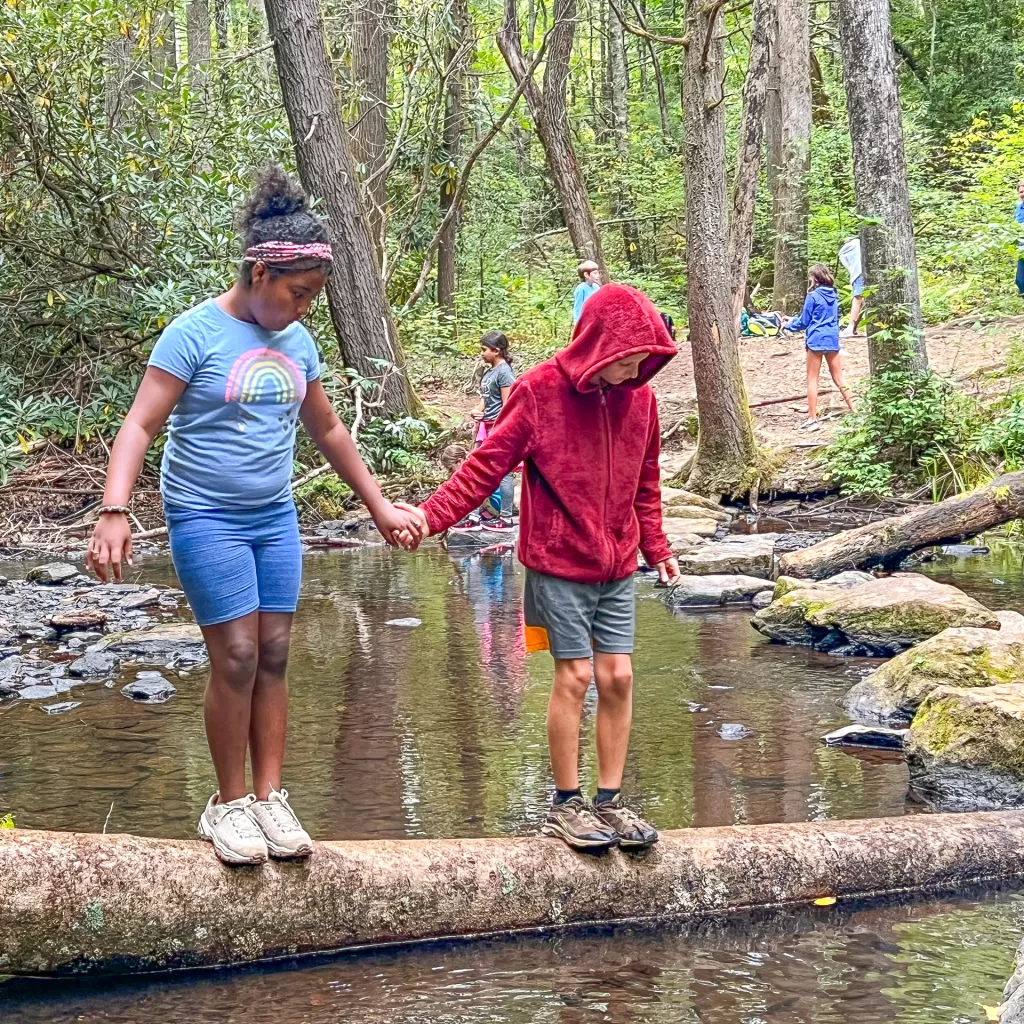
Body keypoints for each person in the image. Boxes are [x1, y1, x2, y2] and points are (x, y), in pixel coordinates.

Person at [86, 165, 424, 866]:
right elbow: (140, 425)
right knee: (235, 655)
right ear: (258, 273)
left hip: (274, 517)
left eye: (313, 297)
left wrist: (381, 507)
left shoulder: (298, 344)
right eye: (296, 294)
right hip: (205, 514)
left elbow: (329, 431)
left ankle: (271, 799)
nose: (303, 308)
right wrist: (115, 508)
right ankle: (228, 805)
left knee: (274, 652)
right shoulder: (193, 333)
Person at [399, 284, 681, 852]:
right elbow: (485, 467)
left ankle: (610, 801)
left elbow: (646, 483)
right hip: (557, 561)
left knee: (619, 677)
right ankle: (565, 804)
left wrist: (658, 546)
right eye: (626, 359)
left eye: (643, 361)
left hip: (618, 562)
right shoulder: (539, 391)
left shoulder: (641, 401)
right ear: (600, 346)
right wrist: (430, 518)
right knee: (575, 677)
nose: (634, 371)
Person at [453, 331, 517, 532]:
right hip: (485, 428)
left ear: (496, 351)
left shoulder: (505, 373)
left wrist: (499, 429)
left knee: (504, 473)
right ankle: (473, 515)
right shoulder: (490, 372)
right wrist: (477, 410)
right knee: (477, 470)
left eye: (484, 350)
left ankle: (506, 518)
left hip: (498, 429)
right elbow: (487, 398)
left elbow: (509, 405)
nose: (481, 353)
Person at [782, 263, 855, 432]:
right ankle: (856, 410)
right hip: (832, 340)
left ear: (814, 278)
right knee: (839, 378)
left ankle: (812, 419)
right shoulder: (834, 295)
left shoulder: (812, 296)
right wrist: (792, 319)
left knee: (812, 379)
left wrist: (788, 325)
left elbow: (804, 322)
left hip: (815, 341)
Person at [838, 236, 864, 337]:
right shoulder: (859, 244)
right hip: (862, 272)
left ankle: (851, 327)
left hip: (858, 274)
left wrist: (850, 269)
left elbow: (842, 256)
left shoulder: (851, 245)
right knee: (861, 301)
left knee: (857, 300)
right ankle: (853, 327)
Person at [573, 260, 602, 324]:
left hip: (596, 319)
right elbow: (578, 308)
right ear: (586, 274)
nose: (598, 275)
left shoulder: (596, 287)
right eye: (595, 273)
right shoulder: (581, 289)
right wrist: (577, 324)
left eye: (598, 273)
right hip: (585, 321)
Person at [1015, 180, 1024, 298]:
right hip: (1022, 248)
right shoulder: (1018, 207)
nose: (1022, 194)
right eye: (1021, 192)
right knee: (1020, 280)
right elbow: (1015, 225)